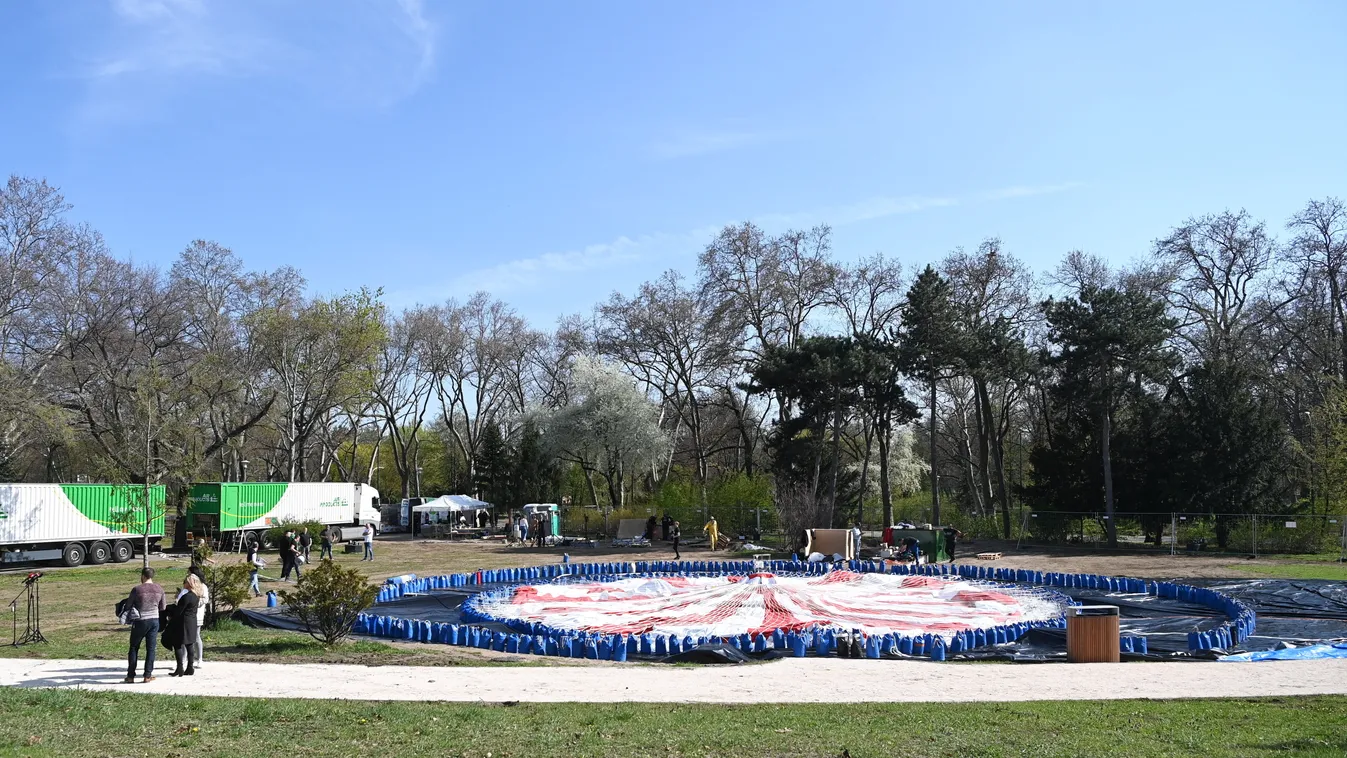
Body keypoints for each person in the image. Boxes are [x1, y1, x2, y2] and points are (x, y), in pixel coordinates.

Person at [124, 567, 166, 684]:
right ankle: (147, 675)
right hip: (154, 620)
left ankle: (131, 676)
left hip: (140, 620)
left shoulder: (137, 589)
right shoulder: (160, 589)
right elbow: (163, 607)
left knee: (134, 647)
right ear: (152, 576)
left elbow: (128, 605)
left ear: (143, 576)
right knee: (151, 649)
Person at [170, 574, 204, 677]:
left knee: (177, 644)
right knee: (190, 644)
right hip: (192, 621)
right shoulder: (195, 596)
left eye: (185, 581)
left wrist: (171, 610)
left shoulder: (186, 597)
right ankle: (190, 667)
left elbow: (178, 611)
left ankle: (180, 667)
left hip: (183, 621)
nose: (183, 583)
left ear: (189, 583)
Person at [177, 569, 210, 669]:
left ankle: (199, 659)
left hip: (196, 615)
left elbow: (205, 599)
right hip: (184, 617)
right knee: (183, 638)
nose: (187, 574)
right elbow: (180, 598)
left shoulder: (203, 587)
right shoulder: (186, 588)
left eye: (190, 572)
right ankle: (183, 659)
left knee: (195, 636)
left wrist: (194, 604)